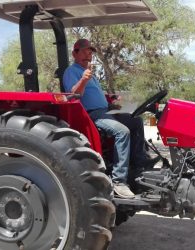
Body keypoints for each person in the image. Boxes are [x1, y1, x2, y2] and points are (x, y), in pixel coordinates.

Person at [63, 38, 159, 199]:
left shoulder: (90, 73)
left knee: (136, 121)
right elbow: (74, 95)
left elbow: (95, 95)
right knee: (122, 132)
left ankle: (139, 163)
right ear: (75, 53)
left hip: (105, 111)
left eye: (90, 51)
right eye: (85, 50)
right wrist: (84, 79)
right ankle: (119, 181)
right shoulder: (71, 72)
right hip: (92, 114)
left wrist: (110, 101)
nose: (89, 53)